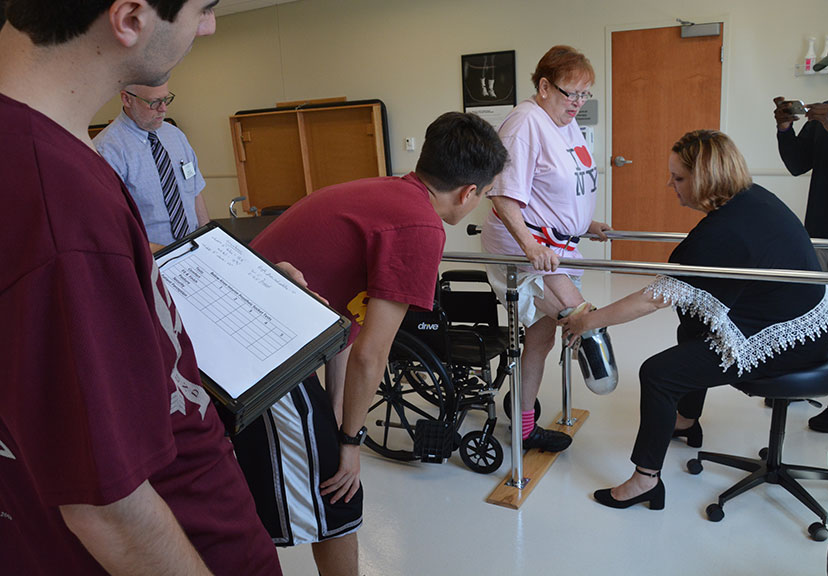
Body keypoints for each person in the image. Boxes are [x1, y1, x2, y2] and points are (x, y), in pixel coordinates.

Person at [0, 2, 282, 575]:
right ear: (130, 18)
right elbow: (107, 503)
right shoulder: (59, 198)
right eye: (203, 9)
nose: (207, 26)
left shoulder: (54, 151)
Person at [231, 111, 508, 576]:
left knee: (320, 458)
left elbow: (344, 329)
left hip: (242, 327)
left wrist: (340, 418)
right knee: (337, 487)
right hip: (259, 350)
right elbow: (372, 354)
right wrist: (351, 443)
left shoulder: (386, 193)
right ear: (469, 194)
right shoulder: (422, 226)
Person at [560, 130, 828, 510]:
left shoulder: (720, 232)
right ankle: (687, 421)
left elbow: (651, 299)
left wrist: (588, 322)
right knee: (691, 321)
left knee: (658, 374)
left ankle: (645, 481)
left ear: (705, 177)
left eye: (678, 178)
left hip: (794, 338)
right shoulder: (751, 199)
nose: (670, 185)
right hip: (812, 317)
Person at [480, 45, 610, 452]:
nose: (577, 103)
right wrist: (530, 246)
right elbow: (501, 197)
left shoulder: (564, 124)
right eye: (570, 93)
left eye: (584, 94)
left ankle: (522, 425)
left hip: (558, 247)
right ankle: (598, 375)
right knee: (584, 321)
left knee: (541, 339)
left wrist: (585, 223)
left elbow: (556, 187)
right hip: (528, 249)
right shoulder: (525, 123)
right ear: (543, 86)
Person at [774, 25, 828, 433]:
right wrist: (784, 128)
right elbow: (797, 164)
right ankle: (807, 381)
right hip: (818, 236)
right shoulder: (827, 108)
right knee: (811, 315)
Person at [95, 82, 210, 252]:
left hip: (193, 250)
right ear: (127, 99)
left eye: (166, 100)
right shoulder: (107, 150)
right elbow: (109, 228)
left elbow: (195, 194)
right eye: (154, 102)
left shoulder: (175, 136)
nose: (163, 109)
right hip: (151, 260)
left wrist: (208, 241)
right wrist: (167, 254)